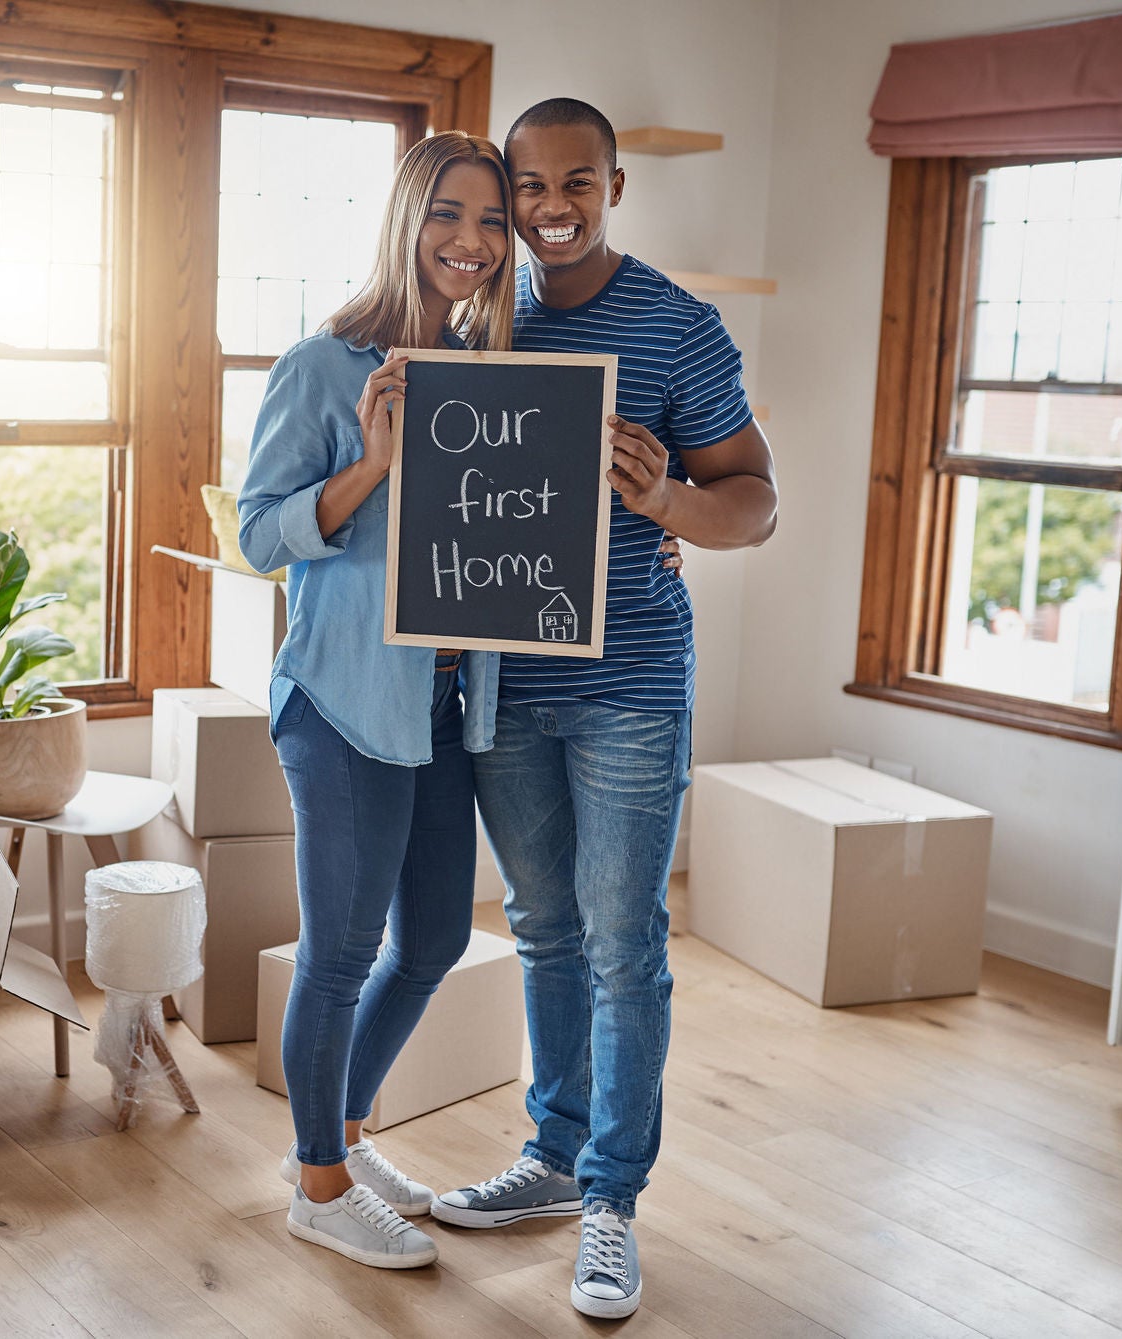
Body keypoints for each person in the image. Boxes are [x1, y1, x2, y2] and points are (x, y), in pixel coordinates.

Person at [430, 98, 779, 1321]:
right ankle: (550, 1153)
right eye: (526, 187)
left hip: (628, 684)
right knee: (542, 929)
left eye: (575, 182)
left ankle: (610, 1203)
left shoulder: (678, 329)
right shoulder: (472, 314)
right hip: (503, 684)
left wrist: (669, 504)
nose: (548, 208)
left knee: (623, 941)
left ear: (615, 185)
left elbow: (756, 500)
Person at [235, 131, 515, 1270]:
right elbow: (259, 534)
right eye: (450, 214)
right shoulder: (322, 366)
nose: (472, 241)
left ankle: (341, 1136)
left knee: (437, 934)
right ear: (406, 219)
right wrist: (370, 462)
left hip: (445, 705)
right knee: (341, 949)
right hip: (343, 705)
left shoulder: (489, 376)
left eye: (492, 221)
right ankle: (315, 1184)